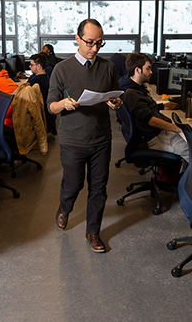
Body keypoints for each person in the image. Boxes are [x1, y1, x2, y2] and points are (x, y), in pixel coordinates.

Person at [47, 19, 122, 253]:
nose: (95, 49)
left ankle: (93, 233)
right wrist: (62, 104)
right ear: (77, 38)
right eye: (90, 42)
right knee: (73, 184)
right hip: (72, 140)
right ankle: (65, 207)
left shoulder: (108, 67)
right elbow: (50, 106)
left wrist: (116, 102)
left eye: (99, 43)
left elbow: (115, 95)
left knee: (99, 188)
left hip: (101, 138)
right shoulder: (61, 69)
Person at [119, 53, 192, 162]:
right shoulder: (132, 94)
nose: (151, 72)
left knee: (191, 143)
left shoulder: (135, 86)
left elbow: (143, 109)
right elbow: (151, 121)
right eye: (148, 69)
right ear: (138, 70)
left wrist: (162, 106)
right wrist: (180, 128)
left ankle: (182, 176)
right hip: (153, 137)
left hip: (154, 133)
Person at [28, 53, 55, 135]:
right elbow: (25, 83)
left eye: (31, 65)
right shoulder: (41, 76)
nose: (29, 66)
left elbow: (24, 89)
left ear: (38, 66)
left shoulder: (37, 81)